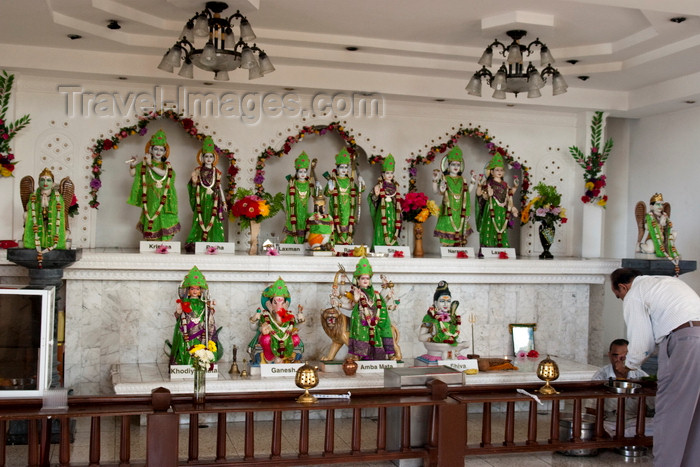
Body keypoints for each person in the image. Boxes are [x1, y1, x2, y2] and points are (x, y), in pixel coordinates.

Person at [610, 268, 700, 466]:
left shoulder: (634, 293)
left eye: (619, 296)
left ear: (623, 287)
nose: (622, 300)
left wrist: (627, 367)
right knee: (695, 413)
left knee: (670, 411)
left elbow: (643, 344)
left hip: (685, 342)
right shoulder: (663, 282)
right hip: (695, 335)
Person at [589, 338, 653, 437]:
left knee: (658, 426)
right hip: (609, 421)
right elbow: (590, 408)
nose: (620, 360)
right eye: (616, 355)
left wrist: (624, 376)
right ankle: (619, 437)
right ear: (609, 355)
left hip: (634, 421)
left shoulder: (640, 376)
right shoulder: (601, 376)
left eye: (625, 356)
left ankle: (617, 437)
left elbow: (653, 405)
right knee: (594, 430)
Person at [127, 129, 180, 241]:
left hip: (164, 197)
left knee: (164, 216)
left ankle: (165, 241)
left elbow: (165, 174)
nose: (158, 152)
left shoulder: (167, 166)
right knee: (151, 215)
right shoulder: (144, 165)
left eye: (161, 150)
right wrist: (133, 165)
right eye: (156, 149)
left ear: (165, 152)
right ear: (150, 150)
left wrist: (150, 165)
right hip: (150, 196)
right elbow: (133, 174)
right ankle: (152, 241)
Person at [344, 257, 397, 360]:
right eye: (362, 278)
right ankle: (360, 354)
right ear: (358, 281)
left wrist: (386, 289)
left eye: (367, 279)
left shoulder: (375, 293)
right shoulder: (355, 292)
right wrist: (356, 297)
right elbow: (353, 304)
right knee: (362, 329)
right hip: (362, 319)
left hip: (375, 319)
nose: (365, 281)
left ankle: (387, 354)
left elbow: (381, 303)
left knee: (382, 326)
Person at [168, 266, 223, 366]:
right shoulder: (184, 303)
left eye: (197, 289)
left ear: (201, 291)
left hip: (200, 332)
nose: (194, 291)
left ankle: (201, 363)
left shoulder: (203, 304)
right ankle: (185, 365)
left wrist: (210, 307)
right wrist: (179, 312)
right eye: (192, 289)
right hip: (187, 333)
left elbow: (208, 316)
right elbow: (179, 317)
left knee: (200, 348)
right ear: (188, 291)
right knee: (186, 347)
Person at [248, 277, 305, 363]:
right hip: (270, 341)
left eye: (282, 303)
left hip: (286, 341)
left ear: (286, 304)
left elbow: (296, 327)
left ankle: (285, 358)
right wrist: (254, 320)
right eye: (275, 303)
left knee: (296, 339)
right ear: (269, 304)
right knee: (266, 339)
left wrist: (301, 321)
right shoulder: (265, 316)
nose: (279, 307)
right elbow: (254, 328)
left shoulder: (289, 317)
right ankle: (269, 359)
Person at [184, 136, 226, 251]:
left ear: (214, 158)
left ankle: (214, 243)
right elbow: (193, 187)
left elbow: (219, 186)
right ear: (202, 158)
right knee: (199, 218)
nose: (208, 158)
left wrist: (224, 202)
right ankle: (197, 242)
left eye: (211, 156)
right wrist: (193, 182)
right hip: (201, 200)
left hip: (214, 200)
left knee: (214, 219)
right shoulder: (197, 171)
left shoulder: (217, 172)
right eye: (206, 156)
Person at [432, 146, 477, 246]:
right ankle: (448, 249)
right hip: (448, 209)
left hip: (460, 209)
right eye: (453, 164)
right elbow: (437, 192)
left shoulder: (462, 179)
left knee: (459, 230)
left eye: (458, 164)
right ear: (448, 166)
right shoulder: (445, 178)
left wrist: (473, 182)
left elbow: (466, 193)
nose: (456, 167)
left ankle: (457, 249)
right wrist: (435, 180)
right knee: (448, 228)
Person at [475, 152, 519, 249]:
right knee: (489, 228)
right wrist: (480, 186)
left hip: (501, 210)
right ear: (491, 172)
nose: (499, 172)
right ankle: (488, 248)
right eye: (497, 170)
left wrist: (515, 187)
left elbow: (509, 195)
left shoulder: (505, 184)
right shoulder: (488, 183)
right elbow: (480, 194)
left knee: (501, 228)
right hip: (491, 208)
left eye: (501, 170)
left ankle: (501, 249)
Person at [21, 167, 69, 251]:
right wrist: (38, 203)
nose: (45, 182)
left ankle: (52, 243)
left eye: (48, 180)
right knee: (25, 215)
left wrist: (49, 207)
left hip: (51, 221)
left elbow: (60, 211)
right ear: (39, 183)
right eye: (42, 180)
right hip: (38, 220)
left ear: (53, 184)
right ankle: (33, 242)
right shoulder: (34, 195)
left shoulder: (58, 197)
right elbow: (28, 207)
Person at [324, 147, 365, 245]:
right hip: (336, 206)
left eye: (346, 167)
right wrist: (330, 188)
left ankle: (347, 241)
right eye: (341, 167)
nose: (344, 169)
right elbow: (326, 193)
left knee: (347, 222)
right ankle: (336, 242)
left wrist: (361, 182)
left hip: (348, 207)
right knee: (337, 221)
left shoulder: (349, 181)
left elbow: (359, 190)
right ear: (337, 168)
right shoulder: (333, 180)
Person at [368, 154, 403, 247]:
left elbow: (397, 200)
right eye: (387, 173)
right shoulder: (379, 185)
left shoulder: (396, 186)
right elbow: (372, 199)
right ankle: (380, 245)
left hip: (392, 210)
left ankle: (391, 244)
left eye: (391, 173)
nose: (390, 175)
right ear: (383, 174)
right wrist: (375, 195)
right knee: (381, 227)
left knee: (391, 227)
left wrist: (399, 209)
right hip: (382, 210)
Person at [283, 152, 315, 244]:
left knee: (303, 223)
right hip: (295, 208)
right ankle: (293, 242)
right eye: (300, 172)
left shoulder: (308, 183)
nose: (302, 174)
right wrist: (291, 209)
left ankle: (303, 241)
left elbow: (313, 196)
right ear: (296, 172)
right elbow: (288, 197)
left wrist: (317, 186)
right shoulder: (293, 183)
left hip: (305, 208)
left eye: (304, 172)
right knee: (295, 223)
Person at [636, 193, 679, 260]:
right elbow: (648, 227)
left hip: (663, 238)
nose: (660, 206)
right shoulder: (649, 216)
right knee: (650, 250)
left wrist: (666, 224)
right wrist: (660, 224)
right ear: (651, 206)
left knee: (674, 233)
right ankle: (640, 245)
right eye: (657, 204)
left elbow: (669, 226)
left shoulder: (664, 215)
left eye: (661, 204)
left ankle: (667, 249)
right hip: (653, 239)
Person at [419, 281, 461, 345]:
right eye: (442, 301)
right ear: (435, 303)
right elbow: (421, 338)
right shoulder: (430, 317)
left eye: (448, 301)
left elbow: (455, 334)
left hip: (451, 349)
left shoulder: (453, 316)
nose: (445, 304)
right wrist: (433, 334)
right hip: (436, 350)